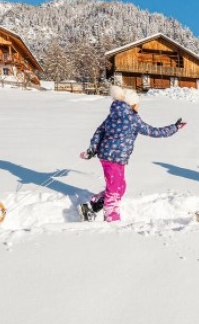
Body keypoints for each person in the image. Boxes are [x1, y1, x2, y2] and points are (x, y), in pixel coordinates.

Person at [80, 85, 186, 222]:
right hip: (113, 159)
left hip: (111, 157)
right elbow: (153, 131)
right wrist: (174, 127)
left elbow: (99, 132)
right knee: (114, 189)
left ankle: (93, 205)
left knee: (120, 187)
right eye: (137, 104)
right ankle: (112, 219)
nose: (138, 107)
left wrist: (93, 148)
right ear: (131, 105)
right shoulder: (133, 118)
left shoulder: (112, 115)